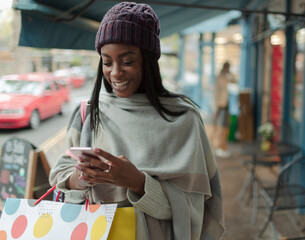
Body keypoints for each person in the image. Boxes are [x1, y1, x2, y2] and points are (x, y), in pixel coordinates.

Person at [49, 2, 225, 239]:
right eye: (107, 62)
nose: (115, 73)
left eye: (127, 61)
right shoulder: (89, 113)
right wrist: (79, 179)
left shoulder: (183, 119)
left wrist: (138, 182)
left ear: (148, 60)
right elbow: (60, 176)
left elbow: (195, 210)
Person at [212, 62, 236, 158]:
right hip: (220, 106)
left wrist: (230, 73)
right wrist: (215, 109)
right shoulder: (218, 78)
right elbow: (216, 94)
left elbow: (234, 81)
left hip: (226, 104)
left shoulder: (227, 77)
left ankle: (222, 146)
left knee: (225, 126)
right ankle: (218, 147)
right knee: (220, 127)